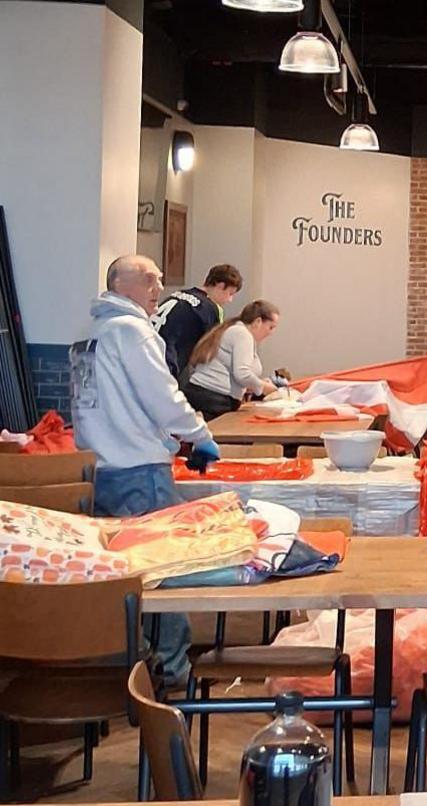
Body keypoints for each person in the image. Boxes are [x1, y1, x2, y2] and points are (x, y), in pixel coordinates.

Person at [71, 254, 222, 685]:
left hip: (98, 471)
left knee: (119, 577)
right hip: (140, 470)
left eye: (158, 278)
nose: (158, 288)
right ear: (121, 285)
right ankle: (171, 670)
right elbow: (162, 395)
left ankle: (128, 663)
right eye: (148, 279)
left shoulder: (91, 332)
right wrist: (196, 432)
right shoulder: (131, 332)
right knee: (160, 575)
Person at [182, 300, 284, 420]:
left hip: (210, 397)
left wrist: (256, 383)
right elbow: (242, 374)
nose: (271, 333)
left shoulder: (238, 332)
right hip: (212, 400)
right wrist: (264, 387)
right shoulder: (242, 334)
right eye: (270, 327)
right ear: (258, 322)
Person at [153, 263, 243, 380]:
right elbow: (211, 349)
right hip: (167, 363)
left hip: (148, 351)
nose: (230, 300)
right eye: (230, 294)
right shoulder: (210, 308)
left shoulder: (178, 294)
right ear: (220, 286)